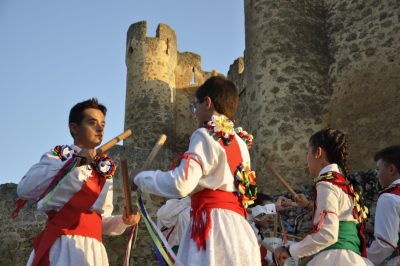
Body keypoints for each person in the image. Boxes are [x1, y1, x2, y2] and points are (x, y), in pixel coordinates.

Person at [133, 76, 260, 266]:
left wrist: (140, 179)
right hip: (240, 233)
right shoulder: (242, 143)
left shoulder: (204, 134)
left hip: (212, 229)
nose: (194, 113)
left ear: (207, 103)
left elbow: (181, 183)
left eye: (195, 106)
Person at [16, 98, 140, 266]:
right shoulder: (60, 156)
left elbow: (101, 221)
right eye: (92, 123)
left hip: (93, 251)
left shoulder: (104, 169)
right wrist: (73, 163)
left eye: (103, 124)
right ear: (74, 128)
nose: (99, 128)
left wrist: (123, 221)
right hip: (61, 246)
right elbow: (25, 188)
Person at [273, 128, 372, 266]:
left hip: (335, 259)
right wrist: (309, 205)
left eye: (307, 153)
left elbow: (328, 233)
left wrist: (289, 251)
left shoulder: (326, 183)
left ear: (318, 153)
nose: (306, 160)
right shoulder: (345, 185)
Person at [367, 145, 400, 266]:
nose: (377, 175)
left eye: (378, 169)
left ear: (391, 169)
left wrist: (361, 259)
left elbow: (385, 244)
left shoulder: (388, 198)